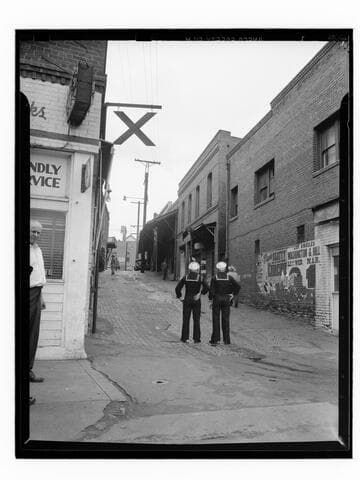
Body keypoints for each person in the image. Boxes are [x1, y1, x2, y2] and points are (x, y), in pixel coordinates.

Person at [29, 220, 47, 405]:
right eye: (33, 232)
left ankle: (28, 370)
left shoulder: (38, 249)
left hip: (36, 292)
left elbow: (39, 276)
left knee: (33, 335)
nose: (35, 235)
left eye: (38, 233)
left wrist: (41, 297)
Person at [175, 262, 209, 344]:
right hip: (196, 300)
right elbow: (207, 287)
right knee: (196, 319)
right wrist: (200, 293)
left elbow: (177, 288)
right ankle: (196, 339)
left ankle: (184, 338)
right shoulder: (200, 278)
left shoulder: (185, 277)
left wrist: (180, 296)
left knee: (186, 319)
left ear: (190, 269)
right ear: (197, 269)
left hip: (187, 299)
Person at [209, 261, 240, 345]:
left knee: (216, 319)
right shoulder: (229, 277)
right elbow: (238, 286)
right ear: (225, 269)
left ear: (217, 269)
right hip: (226, 299)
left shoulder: (214, 278)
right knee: (226, 319)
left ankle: (215, 339)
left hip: (217, 298)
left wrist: (210, 299)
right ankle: (226, 340)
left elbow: (211, 291)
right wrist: (233, 294)